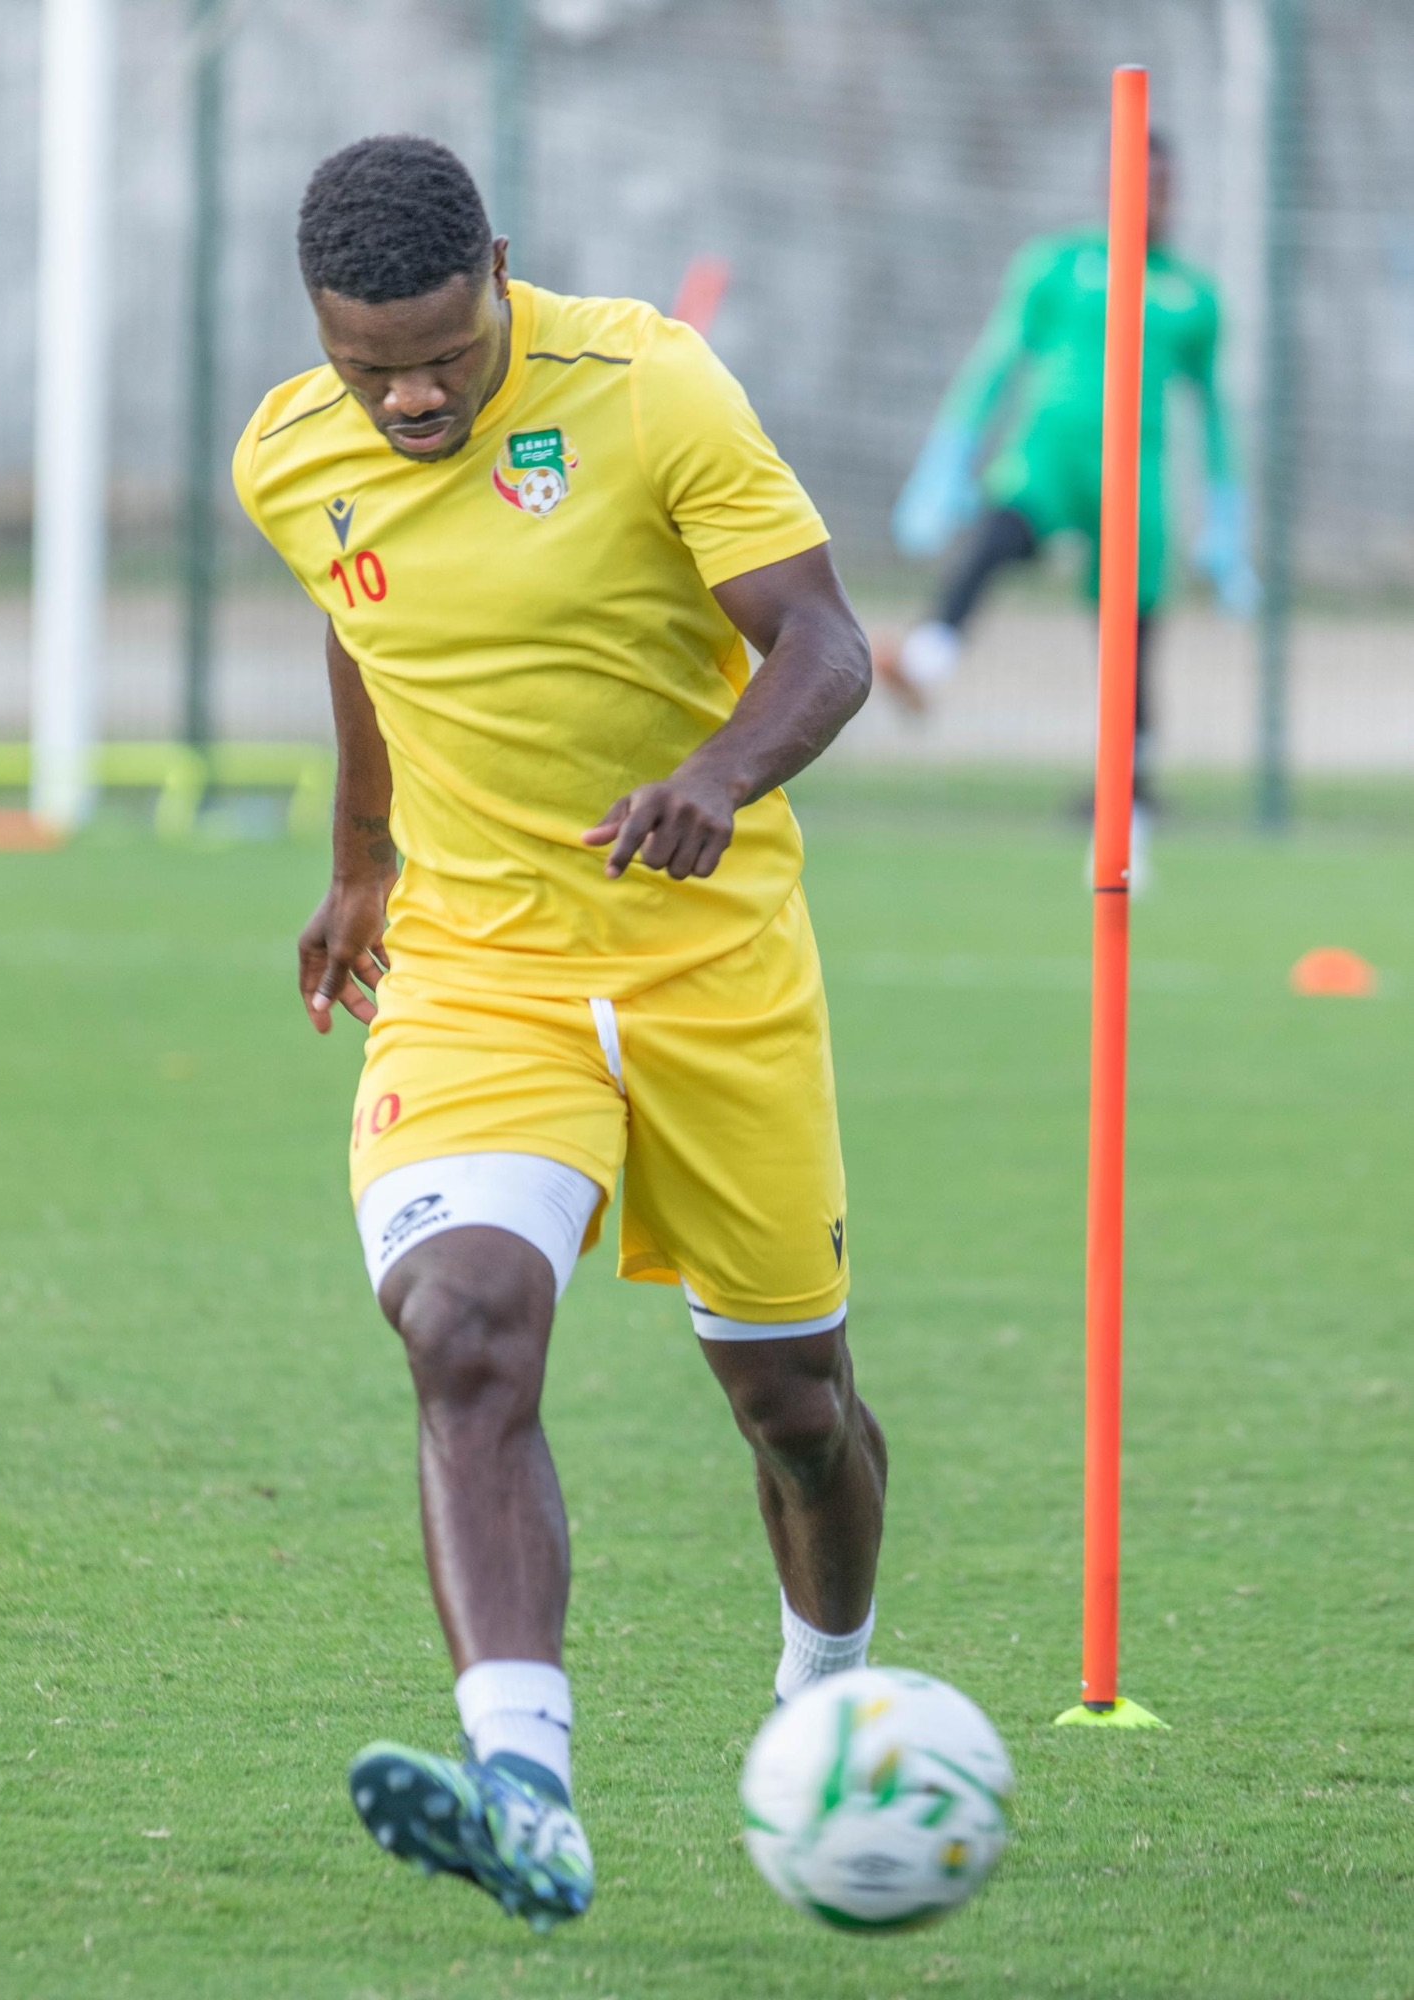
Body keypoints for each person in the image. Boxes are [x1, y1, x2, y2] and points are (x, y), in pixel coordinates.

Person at [233, 135, 886, 1932]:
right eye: (368, 367)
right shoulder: (288, 454)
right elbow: (369, 633)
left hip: (711, 963)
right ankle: (525, 1791)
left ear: (501, 272)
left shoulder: (650, 385)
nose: (410, 397)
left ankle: (827, 1704)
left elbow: (823, 642)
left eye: (444, 354)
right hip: (480, 969)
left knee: (795, 1408)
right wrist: (361, 861)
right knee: (460, 1327)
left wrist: (717, 776)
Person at [879, 132, 1255, 860]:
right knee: (998, 533)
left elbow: (1213, 412)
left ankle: (1128, 801)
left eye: (1163, 186)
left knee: (1130, 637)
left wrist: (1225, 517)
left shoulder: (1192, 296)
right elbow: (996, 362)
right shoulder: (1057, 266)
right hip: (1050, 452)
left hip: (1134, 474)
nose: (1150, 200)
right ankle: (926, 662)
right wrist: (948, 458)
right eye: (1138, 182)